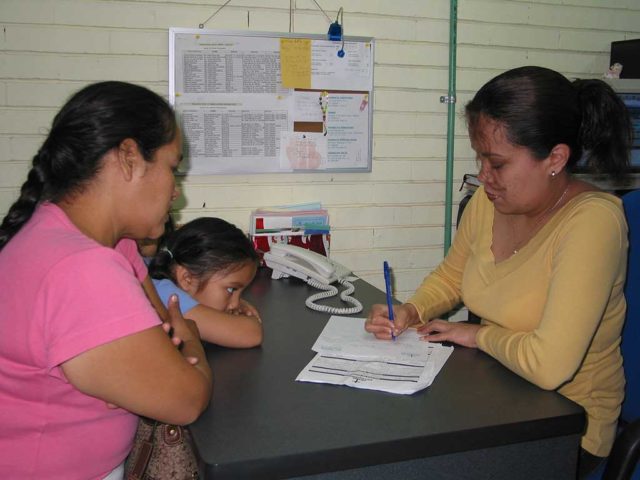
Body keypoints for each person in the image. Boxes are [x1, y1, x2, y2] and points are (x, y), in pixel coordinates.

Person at [365, 66, 633, 478]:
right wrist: (412, 311)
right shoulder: (490, 202)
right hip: (495, 397)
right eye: (480, 160)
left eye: (498, 163)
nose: (484, 178)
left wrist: (476, 335)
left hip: (566, 429)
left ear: (555, 159)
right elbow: (454, 275)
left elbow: (549, 367)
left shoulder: (593, 224)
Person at [0, 81, 213, 479]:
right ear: (129, 157)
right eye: (173, 169)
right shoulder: (82, 269)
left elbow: (160, 350)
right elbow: (186, 397)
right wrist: (193, 338)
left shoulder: (105, 246)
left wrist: (154, 365)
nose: (176, 193)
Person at [146, 217, 263, 348]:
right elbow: (249, 334)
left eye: (240, 293)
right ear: (187, 279)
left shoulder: (155, 270)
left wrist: (236, 299)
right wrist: (250, 319)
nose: (235, 304)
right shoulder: (166, 295)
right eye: (231, 289)